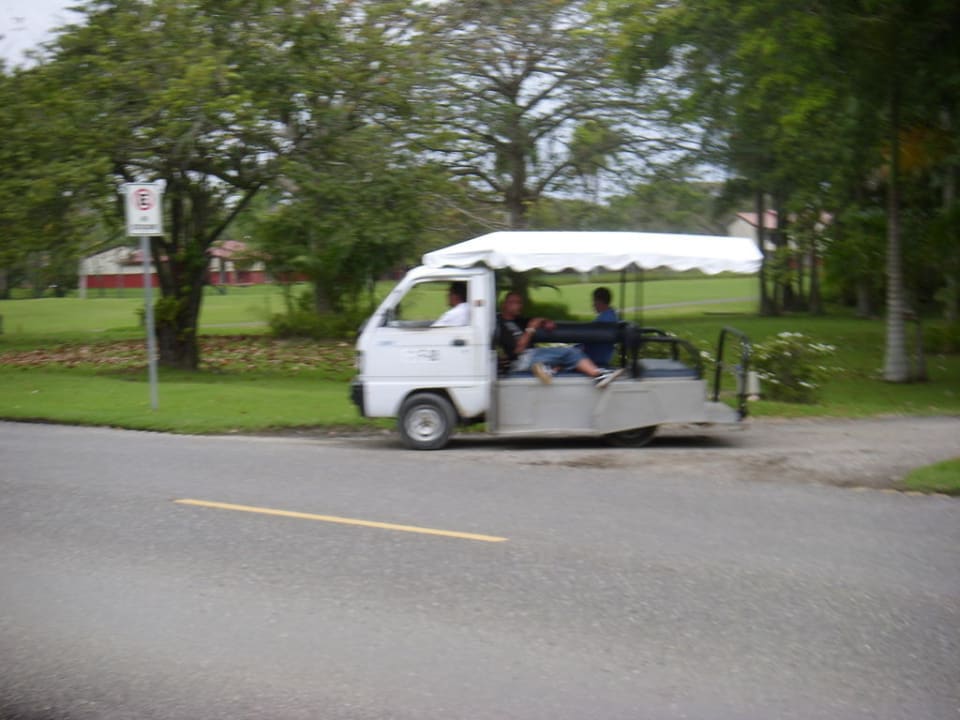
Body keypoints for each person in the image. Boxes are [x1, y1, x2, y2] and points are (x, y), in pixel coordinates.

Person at [497, 291, 623, 388]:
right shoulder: (501, 324)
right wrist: (530, 329)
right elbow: (517, 350)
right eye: (515, 303)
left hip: (533, 355)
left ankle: (549, 368)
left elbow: (535, 320)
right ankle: (598, 376)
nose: (519, 306)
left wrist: (545, 321)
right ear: (505, 304)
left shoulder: (518, 320)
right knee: (571, 352)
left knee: (566, 355)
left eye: (520, 303)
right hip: (522, 360)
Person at [582, 286, 619, 367]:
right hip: (602, 357)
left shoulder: (603, 320)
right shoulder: (613, 316)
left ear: (599, 301)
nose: (593, 304)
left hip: (595, 359)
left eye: (594, 301)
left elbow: (588, 338)